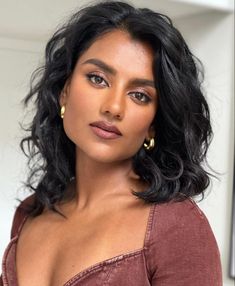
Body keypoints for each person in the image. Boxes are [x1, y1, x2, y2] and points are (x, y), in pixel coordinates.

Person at [1, 1, 222, 285]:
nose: (114, 107)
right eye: (98, 79)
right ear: (65, 91)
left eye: (140, 95)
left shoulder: (177, 228)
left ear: (154, 123)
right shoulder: (32, 211)